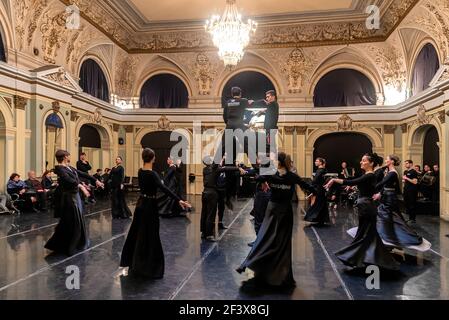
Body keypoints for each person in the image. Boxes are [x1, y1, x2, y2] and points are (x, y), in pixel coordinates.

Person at [237, 152, 316, 288]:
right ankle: (279, 272)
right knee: (282, 242)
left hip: (273, 211)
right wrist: (315, 194)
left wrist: (245, 171)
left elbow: (256, 177)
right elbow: (309, 187)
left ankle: (255, 265)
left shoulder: (271, 175)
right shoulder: (292, 177)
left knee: (265, 238)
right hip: (285, 212)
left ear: (279, 163)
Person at [120, 148, 191, 278]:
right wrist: (179, 200)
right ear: (153, 158)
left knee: (138, 232)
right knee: (151, 235)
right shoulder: (152, 174)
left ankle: (135, 262)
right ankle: (147, 265)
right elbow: (164, 188)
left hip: (141, 204)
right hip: (150, 206)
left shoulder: (140, 172)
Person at [325, 153, 399, 271]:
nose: (361, 162)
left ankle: (361, 258)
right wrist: (356, 187)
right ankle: (366, 259)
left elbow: (352, 181)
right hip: (366, 206)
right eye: (361, 160)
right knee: (366, 234)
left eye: (363, 160)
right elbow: (361, 184)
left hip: (367, 207)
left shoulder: (370, 175)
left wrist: (334, 179)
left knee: (365, 234)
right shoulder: (368, 175)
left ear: (371, 163)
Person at [348, 156, 431, 252]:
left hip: (389, 197)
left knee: (388, 217)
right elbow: (382, 185)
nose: (386, 161)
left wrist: (366, 187)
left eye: (387, 159)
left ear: (392, 161)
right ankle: (384, 238)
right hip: (387, 196)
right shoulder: (389, 172)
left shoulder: (392, 173)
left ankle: (388, 238)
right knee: (388, 217)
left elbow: (381, 183)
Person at [45, 150, 104, 256]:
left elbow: (83, 174)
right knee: (73, 221)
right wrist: (81, 186)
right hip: (69, 198)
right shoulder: (59, 169)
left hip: (75, 197)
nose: (70, 157)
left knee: (71, 221)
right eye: (68, 155)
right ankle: (70, 246)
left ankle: (69, 244)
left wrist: (96, 180)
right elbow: (68, 180)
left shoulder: (69, 168)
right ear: (64, 157)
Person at [201, 155, 243, 241]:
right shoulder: (215, 169)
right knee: (211, 214)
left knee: (204, 213)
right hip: (212, 193)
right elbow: (227, 168)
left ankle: (203, 232)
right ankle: (209, 235)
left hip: (205, 192)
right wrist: (238, 168)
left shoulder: (205, 169)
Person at [304, 158, 330, 226]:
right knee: (321, 205)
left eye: (317, 161)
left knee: (318, 205)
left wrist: (310, 186)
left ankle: (314, 218)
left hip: (319, 190)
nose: (315, 162)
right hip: (320, 189)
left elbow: (315, 180)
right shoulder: (322, 170)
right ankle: (321, 220)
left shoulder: (320, 171)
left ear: (321, 163)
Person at [403, 160, 419, 225]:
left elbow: (415, 182)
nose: (405, 165)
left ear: (411, 164)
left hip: (412, 191)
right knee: (407, 204)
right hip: (406, 190)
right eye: (405, 164)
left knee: (412, 204)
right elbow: (405, 180)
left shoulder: (414, 172)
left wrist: (406, 178)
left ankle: (413, 219)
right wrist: (404, 180)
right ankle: (410, 218)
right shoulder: (406, 171)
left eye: (407, 163)